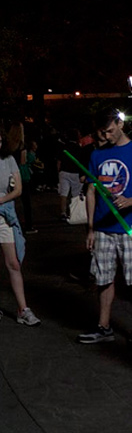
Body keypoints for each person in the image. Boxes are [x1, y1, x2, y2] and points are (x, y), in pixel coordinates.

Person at [0, 124, 41, 326]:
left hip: (5, 215)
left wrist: (1, 200)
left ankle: (23, 308)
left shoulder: (8, 160)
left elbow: (18, 189)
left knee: (13, 263)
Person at [77, 109, 132, 344]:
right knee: (103, 278)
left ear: (120, 124)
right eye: (103, 132)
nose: (107, 136)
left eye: (110, 131)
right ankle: (104, 327)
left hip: (129, 228)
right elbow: (90, 191)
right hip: (103, 228)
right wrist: (90, 227)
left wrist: (131, 201)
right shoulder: (98, 155)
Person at [57, 128, 84, 220]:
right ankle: (74, 212)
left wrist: (59, 171)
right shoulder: (79, 148)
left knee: (63, 193)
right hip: (76, 173)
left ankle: (63, 213)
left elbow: (59, 161)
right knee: (75, 194)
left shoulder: (63, 147)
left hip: (64, 172)